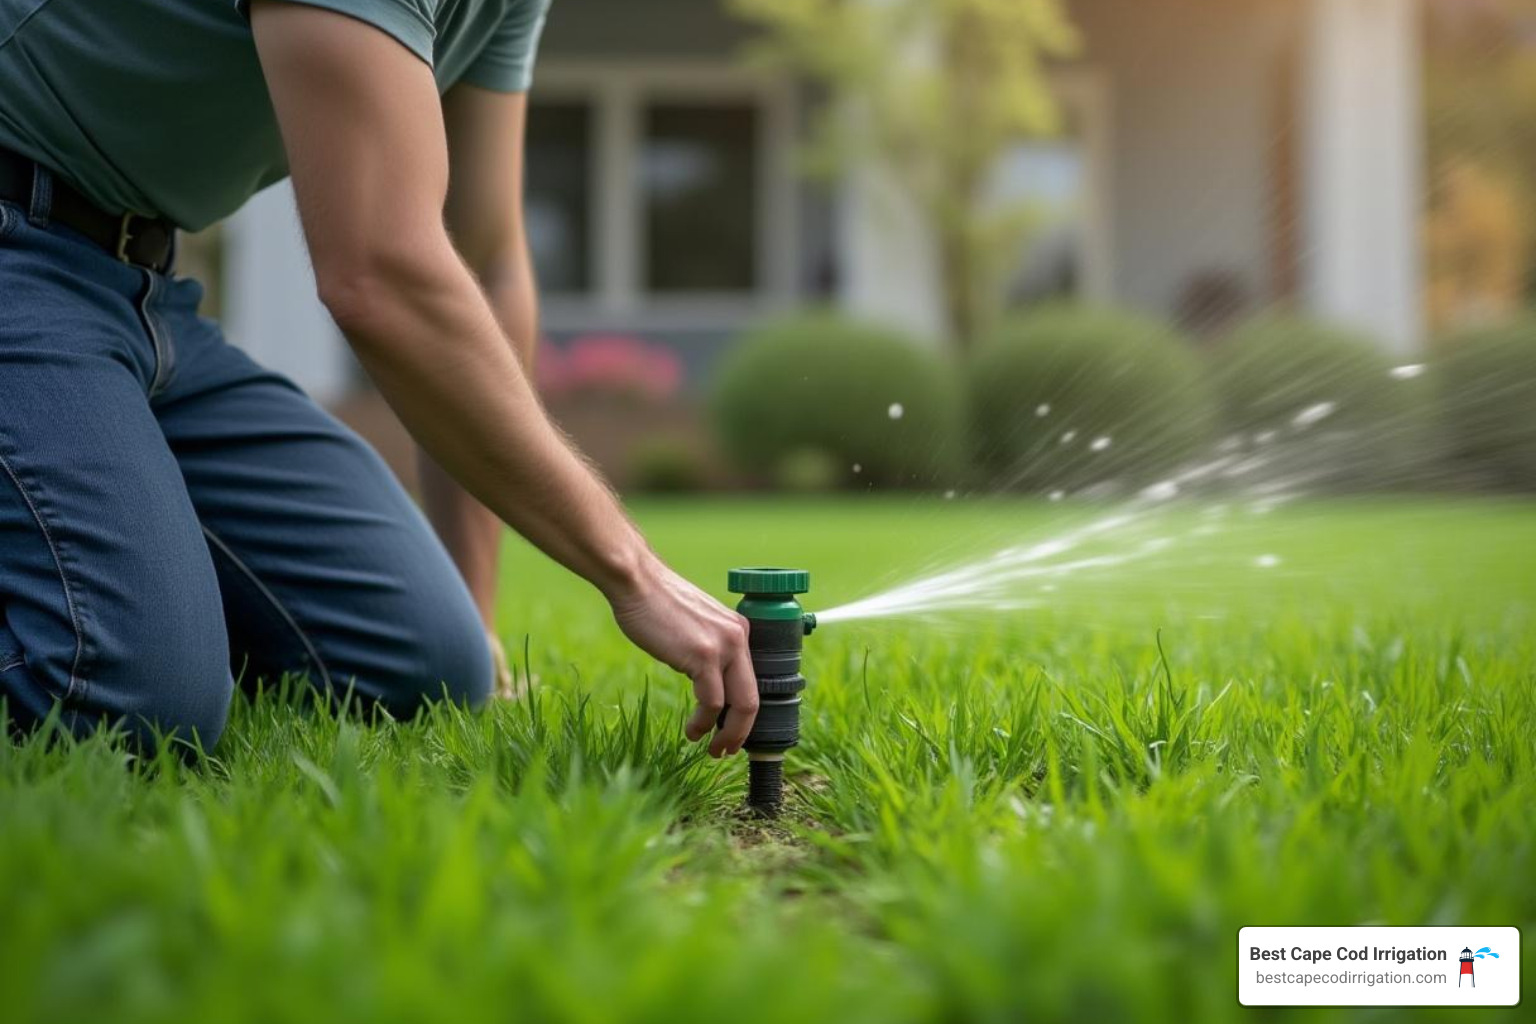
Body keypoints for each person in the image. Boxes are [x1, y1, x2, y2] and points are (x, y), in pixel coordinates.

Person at [0, 0, 758, 757]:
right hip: (19, 256)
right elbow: (380, 270)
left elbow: (485, 259)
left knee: (425, 663)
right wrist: (634, 572)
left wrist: (478, 614)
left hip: (143, 289)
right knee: (122, 699)